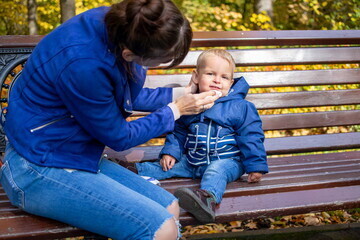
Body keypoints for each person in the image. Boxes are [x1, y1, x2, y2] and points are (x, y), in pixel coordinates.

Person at [0, 1, 220, 239]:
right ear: (129, 55)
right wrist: (175, 110)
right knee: (159, 227)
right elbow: (119, 136)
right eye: (162, 60)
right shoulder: (84, 65)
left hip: (72, 152)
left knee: (171, 207)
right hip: (36, 166)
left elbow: (113, 97)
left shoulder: (124, 24)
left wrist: (180, 95)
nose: (164, 64)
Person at [134, 49, 268, 223]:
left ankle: (206, 199)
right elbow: (178, 130)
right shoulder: (192, 103)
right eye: (210, 74)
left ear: (231, 82)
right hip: (193, 162)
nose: (217, 80)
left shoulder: (241, 107)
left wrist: (255, 165)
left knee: (216, 170)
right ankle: (130, 170)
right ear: (196, 76)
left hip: (228, 162)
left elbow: (251, 136)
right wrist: (171, 152)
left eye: (224, 77)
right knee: (167, 166)